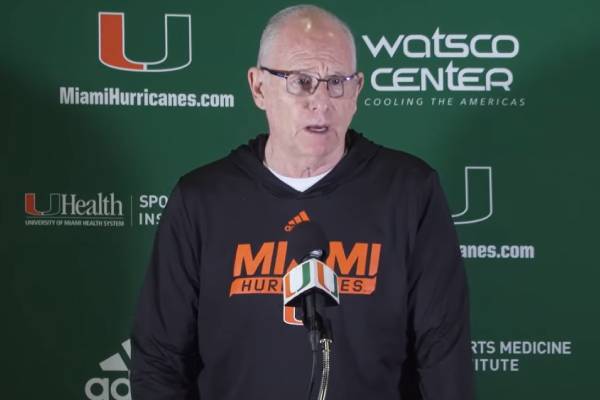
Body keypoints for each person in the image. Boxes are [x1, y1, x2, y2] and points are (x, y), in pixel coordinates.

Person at [131, 4, 474, 400]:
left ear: (357, 90)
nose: (321, 101)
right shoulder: (201, 199)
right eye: (301, 81)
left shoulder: (410, 191)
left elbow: (443, 355)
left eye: (336, 82)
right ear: (259, 87)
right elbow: (159, 361)